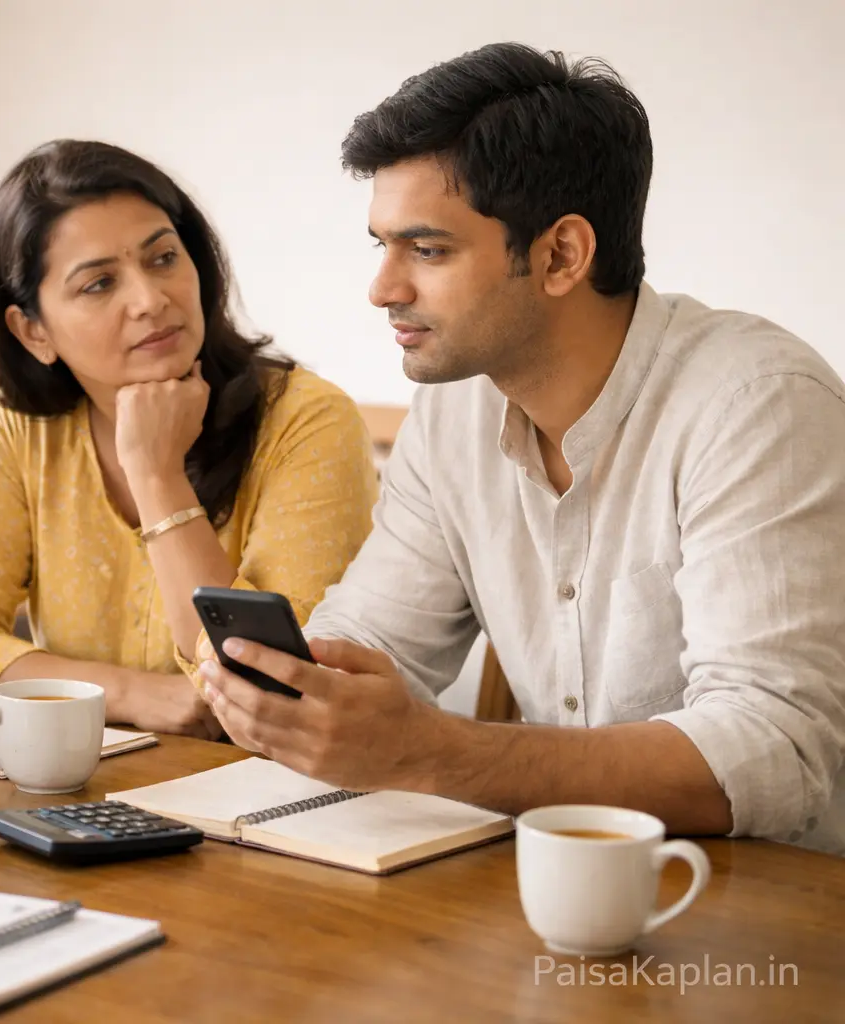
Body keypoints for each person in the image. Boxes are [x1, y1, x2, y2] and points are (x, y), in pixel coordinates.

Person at [198, 43, 845, 854]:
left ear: (561, 254)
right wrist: (300, 689)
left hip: (774, 911)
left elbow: (773, 749)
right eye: (382, 246)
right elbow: (375, 642)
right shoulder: (454, 411)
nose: (383, 288)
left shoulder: (759, 404)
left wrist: (433, 750)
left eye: (427, 250)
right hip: (555, 891)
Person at [0, 139, 380, 737]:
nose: (150, 299)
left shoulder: (307, 420)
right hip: (85, 790)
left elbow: (284, 684)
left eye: (162, 258)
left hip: (265, 794)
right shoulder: (18, 426)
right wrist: (128, 694)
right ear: (32, 332)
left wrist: (156, 475)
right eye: (99, 284)